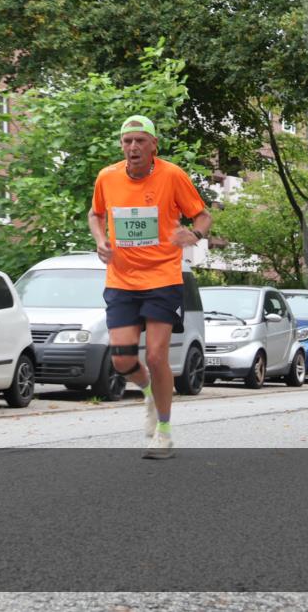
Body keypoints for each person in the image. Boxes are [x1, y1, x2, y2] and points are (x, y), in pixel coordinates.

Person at [88, 115, 211, 459]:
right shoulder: (107, 177)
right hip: (121, 280)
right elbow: (95, 214)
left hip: (162, 277)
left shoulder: (172, 176)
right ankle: (148, 395)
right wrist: (101, 241)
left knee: (156, 356)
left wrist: (196, 234)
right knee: (122, 359)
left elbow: (202, 216)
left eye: (141, 141)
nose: (133, 147)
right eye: (128, 141)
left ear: (154, 145)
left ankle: (164, 433)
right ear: (121, 146)